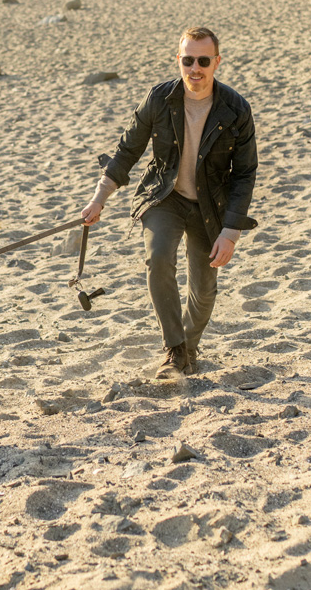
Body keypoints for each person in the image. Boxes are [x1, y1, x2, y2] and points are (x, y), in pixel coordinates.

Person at [81, 26, 257, 377]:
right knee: (158, 258)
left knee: (204, 292)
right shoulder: (159, 99)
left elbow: (245, 173)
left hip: (211, 207)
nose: (195, 68)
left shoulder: (236, 109)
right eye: (188, 60)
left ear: (217, 62)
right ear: (178, 60)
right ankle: (174, 350)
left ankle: (188, 346)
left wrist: (231, 231)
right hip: (164, 196)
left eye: (203, 61)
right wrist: (99, 199)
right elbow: (128, 150)